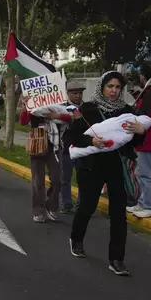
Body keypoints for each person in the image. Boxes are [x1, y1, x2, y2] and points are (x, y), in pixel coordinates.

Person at [68, 71, 145, 276]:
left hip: (117, 166)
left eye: (118, 87)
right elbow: (71, 136)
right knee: (87, 205)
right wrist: (91, 141)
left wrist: (140, 132)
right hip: (91, 165)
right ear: (102, 87)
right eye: (110, 86)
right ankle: (76, 238)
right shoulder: (87, 109)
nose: (114, 91)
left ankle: (117, 258)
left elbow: (135, 142)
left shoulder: (127, 111)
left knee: (118, 212)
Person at [20, 92, 73, 223]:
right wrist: (25, 106)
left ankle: (52, 206)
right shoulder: (33, 103)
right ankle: (38, 210)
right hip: (37, 144)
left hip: (55, 146)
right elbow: (23, 121)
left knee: (57, 179)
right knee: (38, 180)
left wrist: (57, 115)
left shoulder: (60, 103)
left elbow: (73, 117)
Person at [129, 63, 151, 218]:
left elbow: (148, 115)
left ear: (143, 75)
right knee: (143, 173)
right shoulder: (148, 91)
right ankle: (143, 202)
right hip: (146, 139)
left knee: (148, 174)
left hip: (149, 139)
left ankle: (149, 205)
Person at [60, 79, 86, 214]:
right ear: (68, 93)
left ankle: (81, 204)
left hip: (83, 149)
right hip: (67, 149)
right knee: (66, 178)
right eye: (74, 93)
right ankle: (66, 203)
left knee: (83, 178)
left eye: (80, 93)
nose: (77, 96)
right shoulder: (61, 107)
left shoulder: (87, 108)